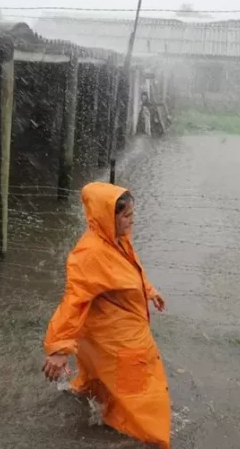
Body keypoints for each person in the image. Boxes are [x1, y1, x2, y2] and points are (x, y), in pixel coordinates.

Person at [42, 182, 171, 448]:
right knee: (143, 393)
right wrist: (58, 347)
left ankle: (100, 409)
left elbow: (130, 271)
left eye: (132, 213)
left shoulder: (117, 240)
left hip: (109, 332)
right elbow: (73, 302)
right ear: (106, 217)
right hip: (121, 340)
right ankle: (150, 437)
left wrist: (149, 290)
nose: (132, 220)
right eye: (126, 215)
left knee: (103, 380)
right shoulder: (90, 254)